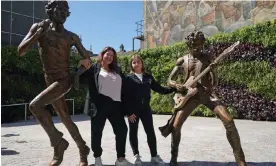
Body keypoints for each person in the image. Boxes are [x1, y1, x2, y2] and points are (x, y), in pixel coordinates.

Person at [17, 1, 91, 166]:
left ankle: (58, 143)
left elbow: (87, 59)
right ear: (50, 10)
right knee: (65, 118)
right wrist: (37, 35)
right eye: (60, 9)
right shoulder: (38, 27)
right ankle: (83, 149)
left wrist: (78, 74)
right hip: (49, 79)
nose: (64, 13)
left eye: (66, 10)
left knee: (35, 106)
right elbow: (21, 51)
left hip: (64, 79)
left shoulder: (71, 36)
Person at [158, 30, 247, 166]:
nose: (197, 48)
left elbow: (214, 83)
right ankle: (173, 159)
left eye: (200, 45)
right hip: (188, 96)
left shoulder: (208, 58)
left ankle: (240, 160)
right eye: (194, 45)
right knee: (176, 126)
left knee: (228, 121)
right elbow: (169, 80)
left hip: (207, 94)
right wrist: (176, 85)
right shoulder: (182, 60)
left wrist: (213, 71)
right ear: (189, 44)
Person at [79, 46, 130, 166]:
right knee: (97, 132)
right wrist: (81, 63)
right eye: (108, 54)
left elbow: (124, 87)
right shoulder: (93, 68)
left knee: (122, 130)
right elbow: (80, 79)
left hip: (116, 105)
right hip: (99, 104)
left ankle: (120, 159)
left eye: (112, 56)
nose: (110, 57)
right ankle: (97, 159)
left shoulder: (117, 70)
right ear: (102, 55)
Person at [126, 55, 176, 166]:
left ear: (142, 63)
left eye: (138, 62)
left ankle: (154, 156)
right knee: (133, 132)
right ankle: (136, 156)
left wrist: (173, 88)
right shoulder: (128, 78)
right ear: (131, 65)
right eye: (134, 62)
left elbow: (159, 88)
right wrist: (129, 113)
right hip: (133, 111)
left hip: (146, 109)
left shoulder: (148, 77)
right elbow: (125, 96)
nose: (136, 64)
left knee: (150, 132)